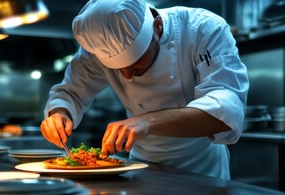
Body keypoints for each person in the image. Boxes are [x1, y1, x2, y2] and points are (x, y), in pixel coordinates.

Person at [40, 0, 249, 179]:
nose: (127, 75)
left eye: (136, 63)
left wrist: (145, 121)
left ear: (157, 27)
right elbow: (70, 92)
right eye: (117, 68)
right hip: (141, 169)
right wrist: (60, 114)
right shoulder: (99, 47)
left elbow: (226, 110)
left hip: (202, 172)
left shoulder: (204, 29)